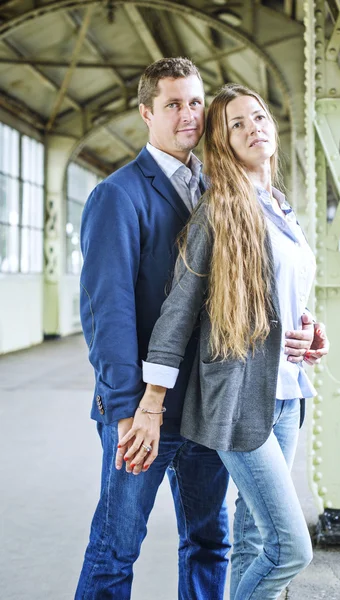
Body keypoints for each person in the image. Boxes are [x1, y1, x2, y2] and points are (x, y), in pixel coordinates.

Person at [120, 83, 329, 600]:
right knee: (290, 549)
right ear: (222, 140)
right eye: (237, 123)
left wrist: (309, 326)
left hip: (286, 395)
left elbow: (282, 296)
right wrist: (152, 400)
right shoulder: (219, 211)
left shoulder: (281, 208)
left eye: (258, 117)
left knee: (255, 540)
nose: (253, 127)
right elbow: (178, 313)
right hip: (236, 402)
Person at [75, 58, 231, 600]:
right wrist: (125, 409)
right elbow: (107, 311)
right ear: (147, 113)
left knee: (211, 542)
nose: (188, 115)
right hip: (145, 412)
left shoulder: (215, 191)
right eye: (173, 104)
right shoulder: (118, 196)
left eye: (195, 102)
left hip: (206, 407)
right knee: (116, 549)